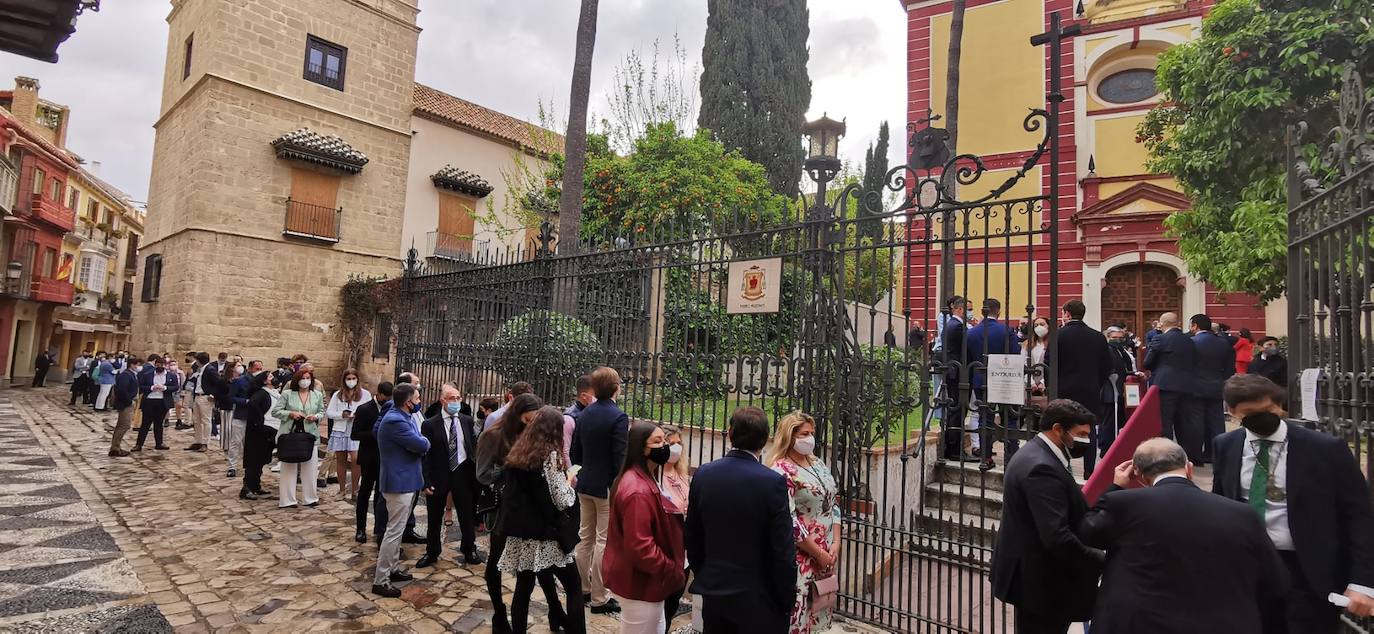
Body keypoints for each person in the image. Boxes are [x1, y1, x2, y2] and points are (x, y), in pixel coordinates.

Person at [1212, 374, 1374, 631]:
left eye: (1267, 410)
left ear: (1279, 405)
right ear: (1232, 412)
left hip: (1309, 571)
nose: (1262, 417)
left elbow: (1359, 515)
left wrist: (1361, 582)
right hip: (1249, 569)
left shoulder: (1325, 449)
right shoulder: (1226, 445)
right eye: (1250, 413)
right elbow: (1220, 508)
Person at [1079, 438, 1287, 634]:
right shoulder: (1243, 514)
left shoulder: (1123, 504)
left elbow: (1088, 532)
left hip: (1140, 624)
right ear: (1189, 468)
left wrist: (1116, 487)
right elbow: (1275, 581)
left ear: (1140, 476)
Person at [989, 399, 1102, 634]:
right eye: (1081, 434)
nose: (1086, 441)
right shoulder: (1042, 468)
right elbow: (1056, 536)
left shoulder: (1035, 453)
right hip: (1040, 585)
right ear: (1058, 429)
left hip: (1035, 579)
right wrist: (1101, 559)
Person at [685, 406, 796, 633]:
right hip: (759, 598)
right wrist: (786, 597)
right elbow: (782, 549)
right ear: (765, 440)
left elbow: (692, 536)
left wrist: (706, 573)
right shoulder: (771, 483)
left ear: (730, 433)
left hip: (716, 592)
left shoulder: (704, 475)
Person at [475, 393, 569, 633]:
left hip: (528, 510)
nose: (534, 421)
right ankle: (499, 615)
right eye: (531, 416)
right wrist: (512, 469)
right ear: (518, 411)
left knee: (537, 564)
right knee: (495, 563)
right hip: (501, 510)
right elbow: (483, 475)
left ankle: (555, 610)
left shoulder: (530, 434)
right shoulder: (492, 436)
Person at [495, 406, 586, 634]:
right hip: (547, 533)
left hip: (524, 532)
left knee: (523, 588)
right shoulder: (551, 456)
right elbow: (562, 499)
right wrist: (569, 481)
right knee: (574, 586)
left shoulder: (519, 451)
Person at [604, 421, 686, 634]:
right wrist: (670, 570)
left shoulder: (643, 477)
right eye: (657, 441)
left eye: (664, 440)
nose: (665, 446)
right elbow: (640, 546)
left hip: (646, 581)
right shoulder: (638, 491)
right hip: (640, 582)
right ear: (641, 447)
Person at [763, 412, 840, 633]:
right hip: (802, 559)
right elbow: (790, 521)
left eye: (812, 433)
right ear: (790, 436)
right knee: (800, 618)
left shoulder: (817, 462)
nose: (810, 439)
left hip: (826, 556)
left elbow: (833, 502)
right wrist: (818, 553)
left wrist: (836, 542)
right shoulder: (780, 471)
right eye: (804, 434)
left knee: (820, 612)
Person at [570, 366, 629, 615]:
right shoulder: (618, 417)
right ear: (615, 387)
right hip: (605, 487)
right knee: (603, 541)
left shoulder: (585, 413)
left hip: (585, 483)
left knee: (585, 538)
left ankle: (583, 588)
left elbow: (575, 452)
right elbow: (620, 457)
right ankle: (599, 597)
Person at [372, 383, 430, 598]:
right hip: (398, 483)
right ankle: (381, 579)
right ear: (408, 402)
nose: (418, 402)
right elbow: (421, 444)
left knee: (396, 530)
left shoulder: (402, 417)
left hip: (406, 480)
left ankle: (393, 568)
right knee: (394, 532)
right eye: (416, 399)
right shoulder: (396, 420)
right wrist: (423, 442)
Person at [417, 383, 484, 568]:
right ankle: (432, 552)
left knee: (466, 514)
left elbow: (471, 447)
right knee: (434, 516)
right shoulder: (430, 424)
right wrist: (426, 480)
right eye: (451, 398)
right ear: (442, 401)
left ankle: (469, 548)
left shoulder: (466, 420)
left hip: (462, 473)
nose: (455, 401)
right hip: (439, 475)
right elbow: (426, 455)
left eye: (458, 398)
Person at [1047, 300, 1112, 476]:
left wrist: (1050, 388)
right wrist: (1095, 383)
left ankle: (1063, 467)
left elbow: (1048, 365)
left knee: (1061, 428)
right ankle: (1089, 471)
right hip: (1089, 390)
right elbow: (1107, 366)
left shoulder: (1058, 335)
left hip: (1063, 390)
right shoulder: (1097, 336)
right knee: (1088, 430)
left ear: (1067, 313)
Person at [964, 298, 1021, 462]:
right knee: (1009, 417)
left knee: (985, 418)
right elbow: (1015, 354)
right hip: (1004, 379)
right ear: (999, 312)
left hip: (980, 379)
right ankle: (1011, 457)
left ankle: (986, 457)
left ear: (982, 312)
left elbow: (968, 360)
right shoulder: (1007, 331)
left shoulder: (972, 332)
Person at [271, 369, 326, 508]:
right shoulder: (287, 394)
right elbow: (276, 411)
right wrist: (290, 413)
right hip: (290, 434)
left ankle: (310, 498)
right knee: (289, 466)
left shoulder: (317, 395)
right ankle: (288, 499)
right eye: (303, 378)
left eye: (308, 378)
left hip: (310, 435)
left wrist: (316, 417)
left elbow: (321, 411)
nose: (305, 380)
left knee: (311, 467)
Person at [659, 424, 696, 628]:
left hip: (684, 549)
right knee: (661, 607)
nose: (676, 448)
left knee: (673, 601)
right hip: (665, 548)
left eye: (678, 443)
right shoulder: (654, 475)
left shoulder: (681, 473)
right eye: (670, 443)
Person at [1187, 314, 1235, 464]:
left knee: (1196, 422)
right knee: (1216, 422)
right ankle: (1216, 454)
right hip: (1217, 386)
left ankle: (1196, 455)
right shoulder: (1224, 344)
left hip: (1195, 387)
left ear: (1195, 325)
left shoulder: (1191, 342)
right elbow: (1229, 369)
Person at [1142, 312, 1195, 446]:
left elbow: (1147, 362)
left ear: (1162, 323)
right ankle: (1185, 452)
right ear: (1177, 323)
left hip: (1165, 385)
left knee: (1165, 421)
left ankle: (1167, 452)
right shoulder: (1189, 340)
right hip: (1187, 384)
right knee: (1184, 421)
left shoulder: (1160, 339)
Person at [351, 381, 391, 543]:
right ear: (379, 394)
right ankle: (360, 528)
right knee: (365, 493)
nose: (388, 401)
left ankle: (379, 528)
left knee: (382, 495)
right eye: (386, 397)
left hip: (384, 458)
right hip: (368, 457)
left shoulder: (391, 410)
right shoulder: (365, 409)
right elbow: (355, 434)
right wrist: (376, 434)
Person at [325, 369, 371, 501]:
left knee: (356, 459)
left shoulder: (365, 394)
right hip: (340, 429)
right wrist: (342, 415)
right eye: (348, 379)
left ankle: (355, 489)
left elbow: (368, 410)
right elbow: (329, 412)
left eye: (353, 378)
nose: (351, 381)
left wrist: (359, 416)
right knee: (341, 460)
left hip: (356, 429)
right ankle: (341, 490)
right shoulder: (338, 395)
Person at [938, 296, 973, 461]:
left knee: (955, 410)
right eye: (968, 309)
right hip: (957, 374)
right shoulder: (957, 326)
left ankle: (951, 447)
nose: (969, 313)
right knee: (957, 411)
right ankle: (954, 450)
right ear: (959, 309)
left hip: (954, 372)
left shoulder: (952, 325)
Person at [1100, 326, 1141, 456]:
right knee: (1109, 421)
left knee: (1118, 420)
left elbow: (1125, 368)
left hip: (1122, 390)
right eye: (1114, 338)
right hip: (1110, 389)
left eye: (1120, 338)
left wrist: (1135, 373)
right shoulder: (1106, 350)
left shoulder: (1121, 351)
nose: (1117, 340)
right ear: (1108, 337)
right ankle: (1106, 449)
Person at [240, 370, 277, 500]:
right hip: (259, 432)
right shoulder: (262, 393)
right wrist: (259, 424)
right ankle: (247, 487)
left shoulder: (274, 393)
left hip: (270, 430)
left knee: (261, 460)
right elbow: (253, 405)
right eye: (271, 376)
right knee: (254, 461)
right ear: (265, 380)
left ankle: (256, 485)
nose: (274, 378)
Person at [133, 357, 179, 451]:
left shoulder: (171, 376)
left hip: (162, 401)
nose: (160, 367)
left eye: (162, 365)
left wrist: (165, 388)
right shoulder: (147, 375)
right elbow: (141, 386)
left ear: (165, 366)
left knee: (159, 423)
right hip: (150, 400)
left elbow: (175, 387)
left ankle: (159, 443)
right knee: (145, 424)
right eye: (158, 365)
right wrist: (152, 387)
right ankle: (139, 444)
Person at [223, 360, 259, 475]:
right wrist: (246, 401)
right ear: (250, 368)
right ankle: (232, 466)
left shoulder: (260, 382)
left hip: (254, 416)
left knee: (251, 443)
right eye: (257, 369)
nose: (259, 371)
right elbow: (231, 397)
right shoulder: (240, 381)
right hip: (241, 414)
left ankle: (249, 465)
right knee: (236, 441)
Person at [108, 357, 142, 457]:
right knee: (124, 425)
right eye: (138, 364)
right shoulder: (126, 375)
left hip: (128, 402)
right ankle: (115, 448)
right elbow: (121, 390)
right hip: (126, 404)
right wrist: (129, 401)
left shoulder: (131, 374)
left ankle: (115, 447)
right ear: (132, 364)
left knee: (121, 425)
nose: (139, 367)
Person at [188, 352, 220, 452]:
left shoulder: (210, 370)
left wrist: (213, 395)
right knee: (196, 420)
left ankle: (205, 442)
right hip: (197, 396)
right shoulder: (200, 369)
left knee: (206, 420)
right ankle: (198, 441)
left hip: (205, 397)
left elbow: (218, 384)